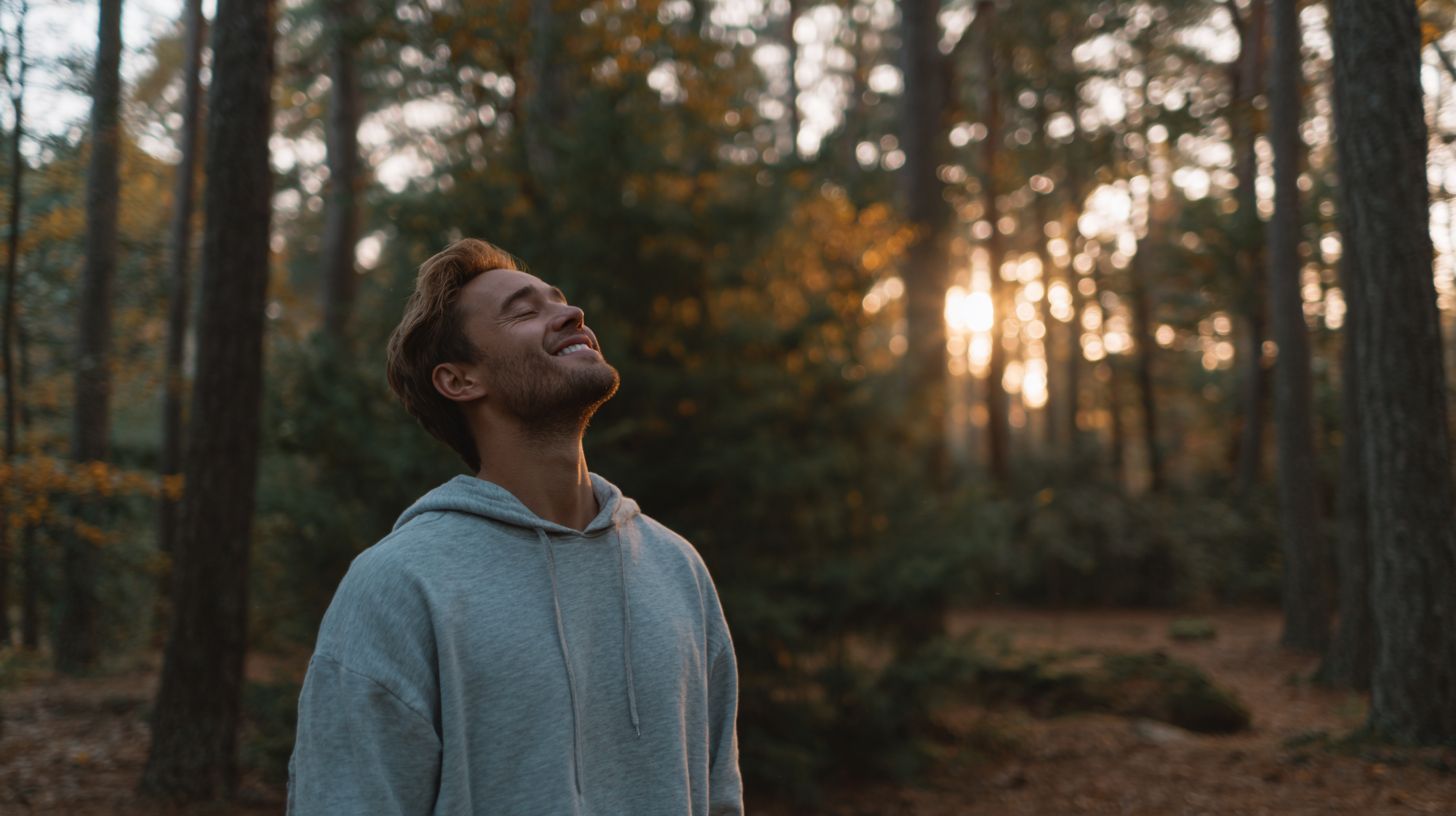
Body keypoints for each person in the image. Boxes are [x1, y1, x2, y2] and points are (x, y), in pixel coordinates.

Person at [287, 239, 742, 815]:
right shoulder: (399, 584)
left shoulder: (676, 567)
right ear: (459, 381)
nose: (572, 314)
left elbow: (719, 795)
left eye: (562, 302)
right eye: (525, 312)